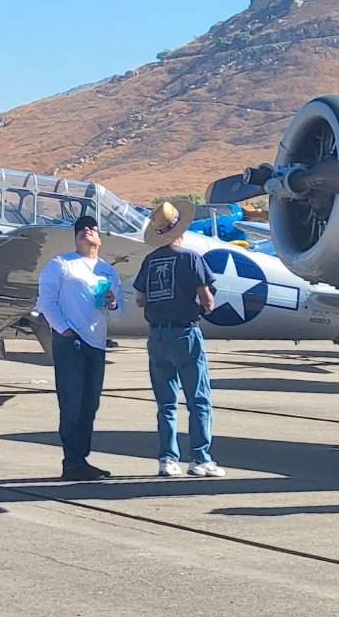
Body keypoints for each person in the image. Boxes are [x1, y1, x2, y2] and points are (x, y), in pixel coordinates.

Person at [132, 200, 224, 478]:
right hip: (185, 333)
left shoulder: (150, 260)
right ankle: (200, 458)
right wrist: (205, 306)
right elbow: (207, 298)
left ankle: (167, 459)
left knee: (166, 404)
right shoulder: (190, 258)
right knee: (198, 401)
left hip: (157, 336)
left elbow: (139, 299)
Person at [35, 215, 124, 481]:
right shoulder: (61, 264)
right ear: (75, 238)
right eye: (80, 229)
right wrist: (64, 329)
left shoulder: (108, 271)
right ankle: (71, 461)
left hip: (96, 342)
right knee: (71, 404)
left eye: (91, 228)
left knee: (90, 404)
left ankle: (81, 458)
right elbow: (46, 301)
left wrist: (112, 302)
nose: (86, 230)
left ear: (100, 238)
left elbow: (117, 314)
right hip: (70, 341)